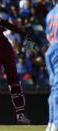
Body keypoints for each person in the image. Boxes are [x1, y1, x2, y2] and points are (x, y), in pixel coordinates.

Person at [45, 1, 58, 131]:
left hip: (51, 51)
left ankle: (51, 122)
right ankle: (56, 123)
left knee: (54, 89)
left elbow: (48, 36)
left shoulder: (50, 14)